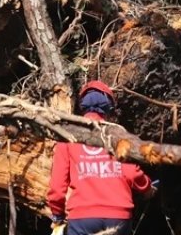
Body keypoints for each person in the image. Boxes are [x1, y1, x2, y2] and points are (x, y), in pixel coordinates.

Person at [47, 80, 155, 235]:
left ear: (82, 105)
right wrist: (147, 188)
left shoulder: (68, 135)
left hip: (81, 219)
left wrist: (57, 215)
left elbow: (57, 186)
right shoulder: (117, 135)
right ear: (109, 107)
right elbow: (132, 173)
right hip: (118, 217)